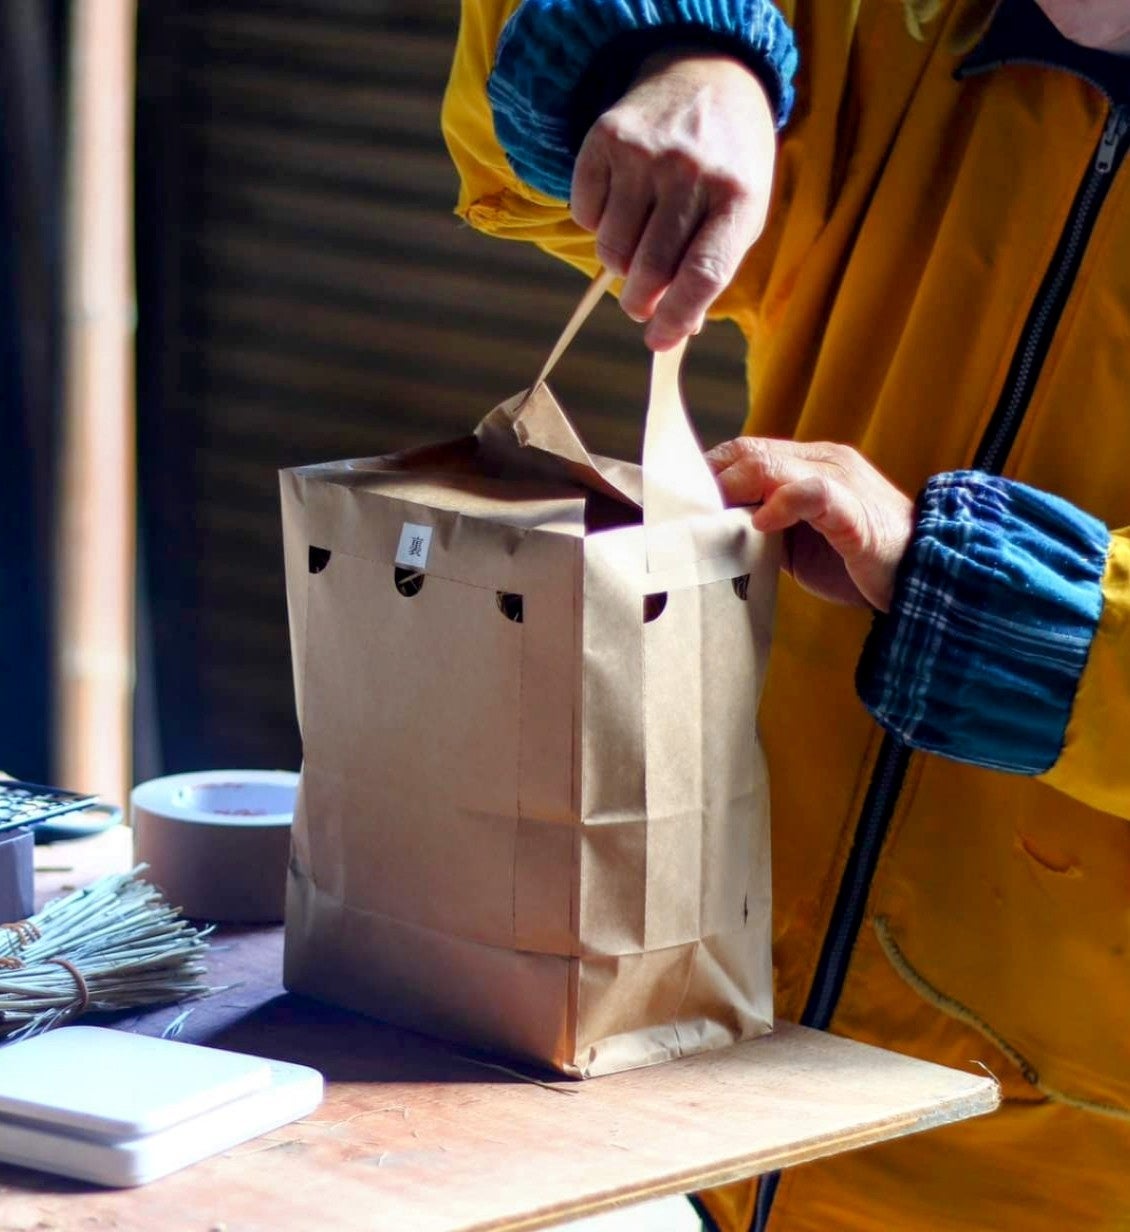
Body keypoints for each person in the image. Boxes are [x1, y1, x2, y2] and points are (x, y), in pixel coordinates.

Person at [442, 0, 1130, 1228]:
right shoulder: (906, 30)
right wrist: (663, 51)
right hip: (707, 1103)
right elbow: (509, 150)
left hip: (1054, 1173)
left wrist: (966, 587)